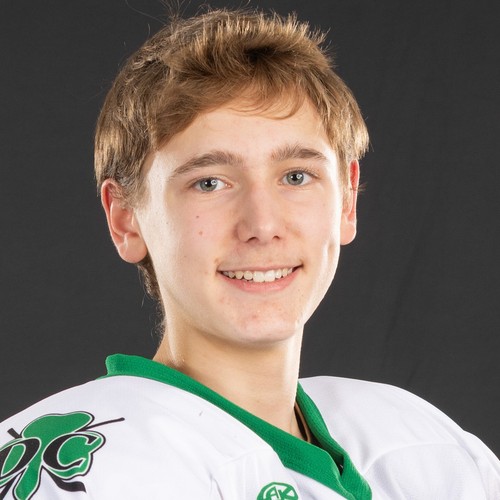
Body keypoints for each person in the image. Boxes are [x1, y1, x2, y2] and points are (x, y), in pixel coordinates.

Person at [0, 7, 499, 500]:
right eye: (209, 182)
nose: (262, 226)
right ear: (126, 217)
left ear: (347, 200)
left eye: (296, 176)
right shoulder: (85, 476)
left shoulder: (427, 445)